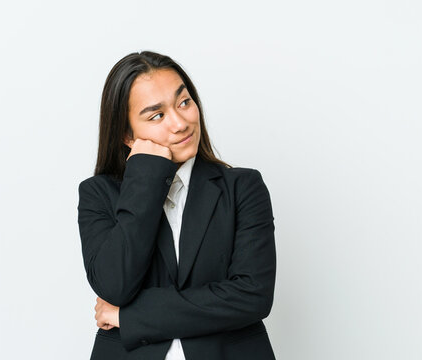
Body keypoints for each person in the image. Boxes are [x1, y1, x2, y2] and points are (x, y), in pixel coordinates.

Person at [77, 51, 277, 360]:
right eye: (156, 115)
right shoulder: (98, 194)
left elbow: (252, 297)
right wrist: (145, 177)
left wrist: (131, 316)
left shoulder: (243, 187)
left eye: (184, 102)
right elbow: (115, 286)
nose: (181, 123)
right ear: (128, 135)